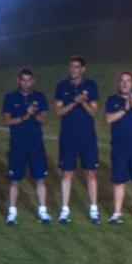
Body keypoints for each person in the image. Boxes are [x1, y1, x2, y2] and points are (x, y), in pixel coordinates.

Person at [53, 56, 100, 224]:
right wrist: (74, 102)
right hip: (68, 136)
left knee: (91, 173)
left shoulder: (91, 86)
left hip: (87, 135)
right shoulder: (62, 86)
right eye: (71, 67)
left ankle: (94, 210)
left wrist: (84, 102)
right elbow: (58, 112)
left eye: (77, 67)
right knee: (67, 172)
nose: (74, 70)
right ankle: (65, 210)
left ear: (83, 69)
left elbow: (94, 112)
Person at [1, 67, 51, 225]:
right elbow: (7, 121)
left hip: (36, 143)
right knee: (15, 179)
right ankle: (12, 213)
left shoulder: (40, 97)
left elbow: (44, 119)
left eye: (29, 80)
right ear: (18, 81)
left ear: (33, 81)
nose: (26, 83)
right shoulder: (10, 98)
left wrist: (34, 114)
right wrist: (25, 116)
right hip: (17, 144)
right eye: (23, 80)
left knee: (40, 178)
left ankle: (43, 211)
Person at [103, 70, 132, 224]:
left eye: (128, 80)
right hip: (119, 147)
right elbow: (109, 118)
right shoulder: (112, 100)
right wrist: (124, 108)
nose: (125, 83)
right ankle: (117, 213)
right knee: (119, 181)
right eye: (122, 81)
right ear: (118, 83)